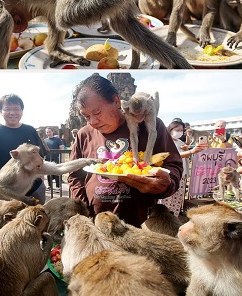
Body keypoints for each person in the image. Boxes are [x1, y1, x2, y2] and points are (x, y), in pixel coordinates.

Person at [68, 75, 183, 227]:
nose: (93, 122)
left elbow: (173, 165)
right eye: (86, 116)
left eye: (97, 113)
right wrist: (84, 211)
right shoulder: (84, 134)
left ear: (116, 101)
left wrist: (165, 185)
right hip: (96, 222)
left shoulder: (147, 125)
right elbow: (75, 175)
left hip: (139, 223)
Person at [0, 94, 47, 203]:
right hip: (7, 193)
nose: (12, 113)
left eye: (16, 109)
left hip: (34, 188)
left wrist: (41, 183)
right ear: (0, 111)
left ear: (22, 111)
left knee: (38, 219)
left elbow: (39, 158)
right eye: (7, 109)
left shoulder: (30, 131)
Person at [159, 118, 205, 216]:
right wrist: (191, 151)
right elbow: (172, 156)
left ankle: (174, 217)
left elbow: (186, 156)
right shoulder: (165, 141)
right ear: (170, 129)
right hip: (169, 173)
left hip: (182, 174)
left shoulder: (180, 142)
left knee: (177, 198)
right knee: (167, 197)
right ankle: (162, 217)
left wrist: (188, 150)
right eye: (177, 130)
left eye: (181, 130)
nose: (179, 132)